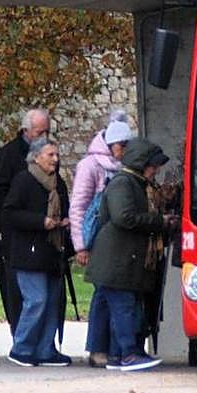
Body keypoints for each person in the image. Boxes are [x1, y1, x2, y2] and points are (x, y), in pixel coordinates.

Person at [85, 138, 171, 372]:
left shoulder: (134, 183)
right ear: (142, 164)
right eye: (153, 165)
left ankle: (115, 354)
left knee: (117, 305)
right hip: (117, 260)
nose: (156, 170)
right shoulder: (124, 184)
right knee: (124, 306)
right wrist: (158, 221)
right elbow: (124, 217)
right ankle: (129, 354)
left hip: (120, 259)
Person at [2, 137, 72, 367]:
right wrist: (40, 221)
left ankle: (45, 349)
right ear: (36, 157)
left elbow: (65, 207)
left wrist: (64, 222)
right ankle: (21, 347)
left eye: (57, 155)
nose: (55, 159)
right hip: (28, 251)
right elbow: (10, 213)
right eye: (50, 154)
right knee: (36, 299)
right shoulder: (24, 180)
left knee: (52, 301)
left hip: (52, 250)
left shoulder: (57, 183)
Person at [71, 110, 131, 368]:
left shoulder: (122, 167)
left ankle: (105, 348)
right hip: (96, 239)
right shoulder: (90, 166)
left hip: (114, 241)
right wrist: (81, 245)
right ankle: (99, 348)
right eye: (120, 146)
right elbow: (79, 206)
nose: (123, 151)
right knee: (102, 294)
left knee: (105, 295)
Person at [0, 108, 50, 334]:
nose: (44, 138)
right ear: (26, 130)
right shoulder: (8, 156)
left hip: (42, 231)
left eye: (47, 133)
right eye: (39, 132)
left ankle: (43, 340)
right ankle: (22, 338)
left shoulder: (47, 155)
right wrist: (21, 213)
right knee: (18, 288)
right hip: (16, 234)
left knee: (44, 289)